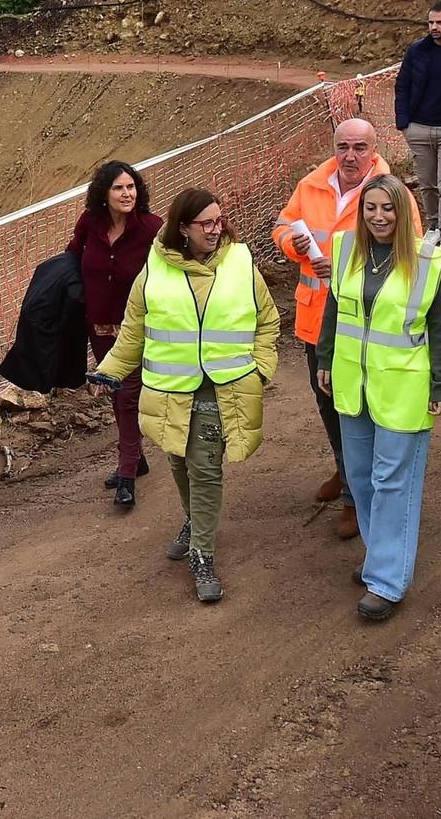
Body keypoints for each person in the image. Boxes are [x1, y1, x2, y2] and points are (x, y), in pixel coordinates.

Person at [98, 187, 281, 602]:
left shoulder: (240, 263)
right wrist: (109, 371)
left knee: (205, 468)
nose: (216, 230)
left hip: (223, 389)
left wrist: (261, 368)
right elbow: (134, 331)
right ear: (183, 228)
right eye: (206, 223)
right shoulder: (154, 270)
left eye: (219, 221)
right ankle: (194, 520)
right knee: (179, 461)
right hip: (170, 390)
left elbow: (267, 321)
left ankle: (202, 555)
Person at [315, 174, 441, 620]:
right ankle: (380, 556)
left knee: (393, 482)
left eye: (388, 208)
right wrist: (324, 357)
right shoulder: (345, 250)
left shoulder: (427, 261)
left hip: (404, 388)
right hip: (353, 383)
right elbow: (334, 309)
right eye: (371, 208)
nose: (379, 217)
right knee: (360, 478)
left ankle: (387, 581)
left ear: (403, 212)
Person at [272, 118, 415, 540]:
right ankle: (344, 469)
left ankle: (357, 496)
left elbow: (411, 256)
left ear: (374, 149)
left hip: (364, 325)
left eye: (359, 148)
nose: (350, 156)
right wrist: (292, 244)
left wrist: (345, 268)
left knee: (357, 410)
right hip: (316, 320)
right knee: (328, 404)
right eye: (343, 147)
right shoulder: (311, 185)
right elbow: (282, 225)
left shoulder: (391, 193)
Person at [64, 161, 163, 510]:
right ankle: (138, 459)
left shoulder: (151, 228)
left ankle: (126, 474)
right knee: (114, 393)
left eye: (131, 187)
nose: (127, 194)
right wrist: (72, 295)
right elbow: (73, 255)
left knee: (128, 396)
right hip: (99, 327)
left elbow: (168, 272)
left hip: (135, 330)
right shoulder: (90, 223)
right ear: (104, 194)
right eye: (119, 188)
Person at [395, 0, 441, 241]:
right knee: (427, 184)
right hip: (418, 127)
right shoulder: (417, 50)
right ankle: (434, 228)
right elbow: (402, 85)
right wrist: (404, 124)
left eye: (439, 22)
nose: (434, 27)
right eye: (430, 22)